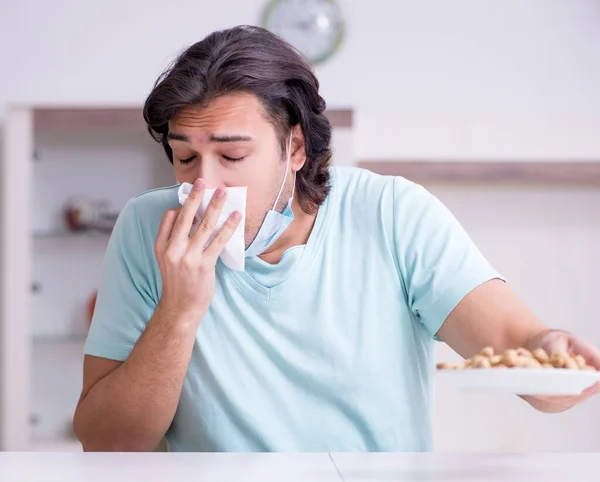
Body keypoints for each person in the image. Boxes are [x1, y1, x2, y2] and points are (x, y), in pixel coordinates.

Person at [73, 25, 600, 452]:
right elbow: (109, 444)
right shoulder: (149, 227)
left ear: (295, 148)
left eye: (232, 156)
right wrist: (180, 310)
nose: (202, 185)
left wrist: (552, 353)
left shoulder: (392, 213)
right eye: (185, 157)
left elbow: (529, 364)